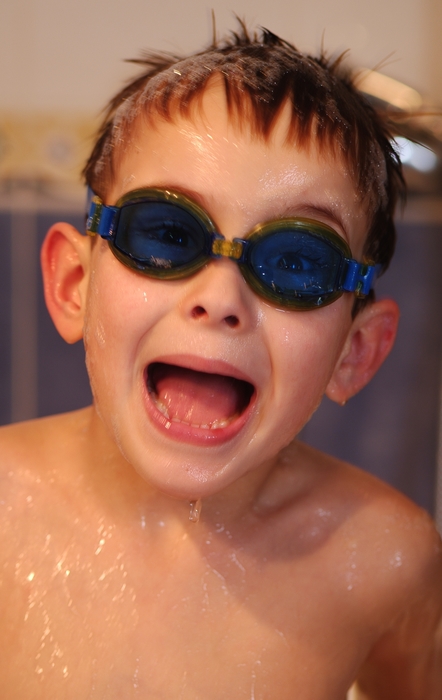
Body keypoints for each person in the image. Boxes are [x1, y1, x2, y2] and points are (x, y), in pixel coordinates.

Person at [0, 24, 441, 699]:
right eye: (169, 235)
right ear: (72, 286)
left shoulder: (382, 560)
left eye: (297, 262)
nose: (220, 298)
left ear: (354, 353)